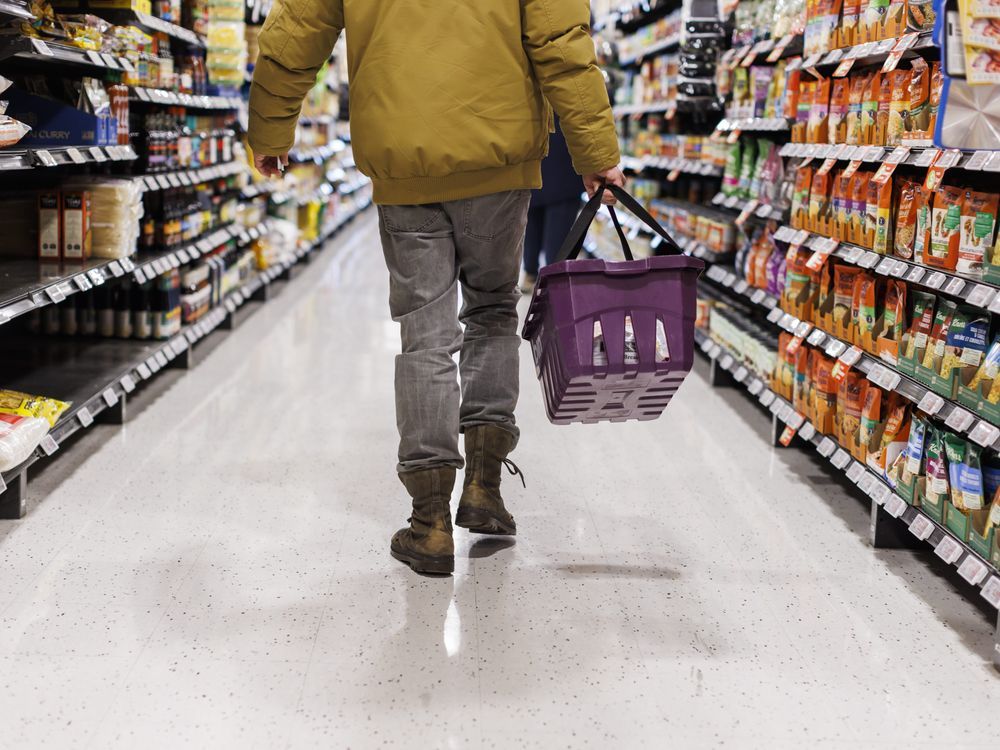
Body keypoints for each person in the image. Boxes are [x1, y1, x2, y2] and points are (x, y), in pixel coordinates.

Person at [248, 0, 624, 576]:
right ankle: (483, 486)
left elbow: (295, 30)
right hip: (498, 155)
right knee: (494, 311)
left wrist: (271, 127)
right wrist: (596, 154)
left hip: (403, 160)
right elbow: (563, 45)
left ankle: (428, 523)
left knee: (424, 335)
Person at [521, 119, 583, 295]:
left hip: (532, 162)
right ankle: (554, 283)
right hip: (565, 166)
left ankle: (531, 273)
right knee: (558, 233)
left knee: (532, 224)